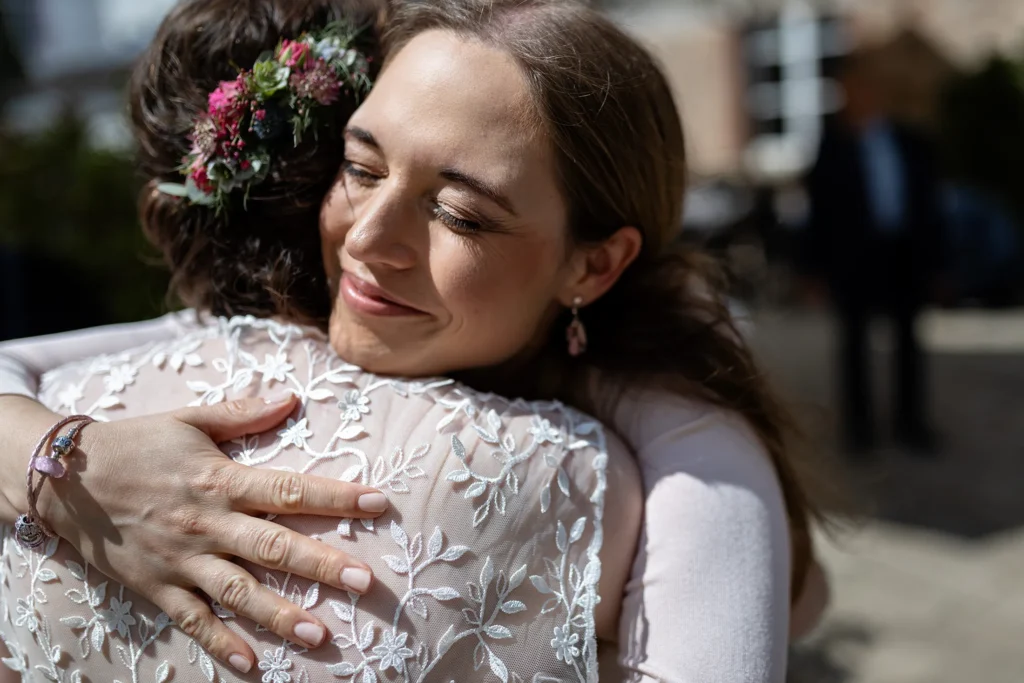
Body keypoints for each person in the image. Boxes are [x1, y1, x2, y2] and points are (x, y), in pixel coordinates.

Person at [0, 0, 831, 679]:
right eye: (362, 168)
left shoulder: (677, 437)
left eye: (459, 213)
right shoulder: (252, 331)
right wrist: (68, 462)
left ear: (595, 264)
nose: (369, 239)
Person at [801, 53, 946, 455]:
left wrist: (937, 262)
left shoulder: (911, 141)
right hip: (854, 259)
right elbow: (819, 213)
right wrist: (813, 269)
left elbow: (929, 207)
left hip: (903, 253)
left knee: (909, 342)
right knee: (855, 345)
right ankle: (860, 429)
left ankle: (910, 423)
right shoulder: (833, 145)